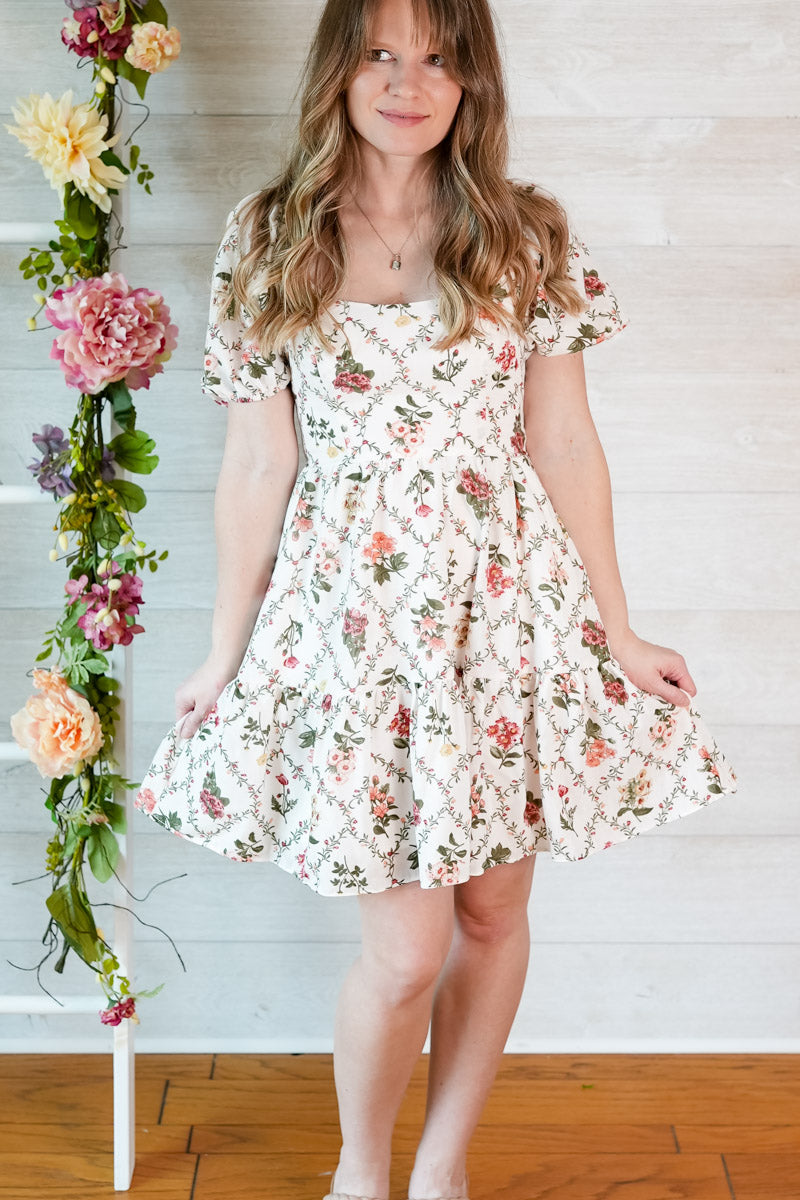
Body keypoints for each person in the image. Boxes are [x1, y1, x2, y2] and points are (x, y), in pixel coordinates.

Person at [135, 0, 739, 1197]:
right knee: (404, 947)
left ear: (470, 83)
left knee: (489, 913)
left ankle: (441, 1167)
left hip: (505, 611)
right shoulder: (269, 236)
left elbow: (563, 442)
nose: (408, 82)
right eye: (380, 54)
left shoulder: (523, 238)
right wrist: (223, 650)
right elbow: (260, 462)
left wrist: (614, 627)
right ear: (339, 72)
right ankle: (361, 1172)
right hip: (355, 621)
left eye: (437, 58)